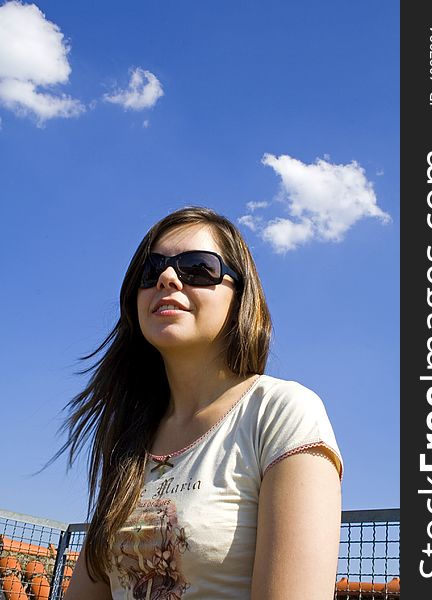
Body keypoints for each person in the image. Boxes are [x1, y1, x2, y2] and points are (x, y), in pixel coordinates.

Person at [63, 205, 343, 600]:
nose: (166, 277)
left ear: (239, 295)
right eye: (151, 269)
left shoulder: (282, 412)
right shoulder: (130, 440)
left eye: (197, 267)